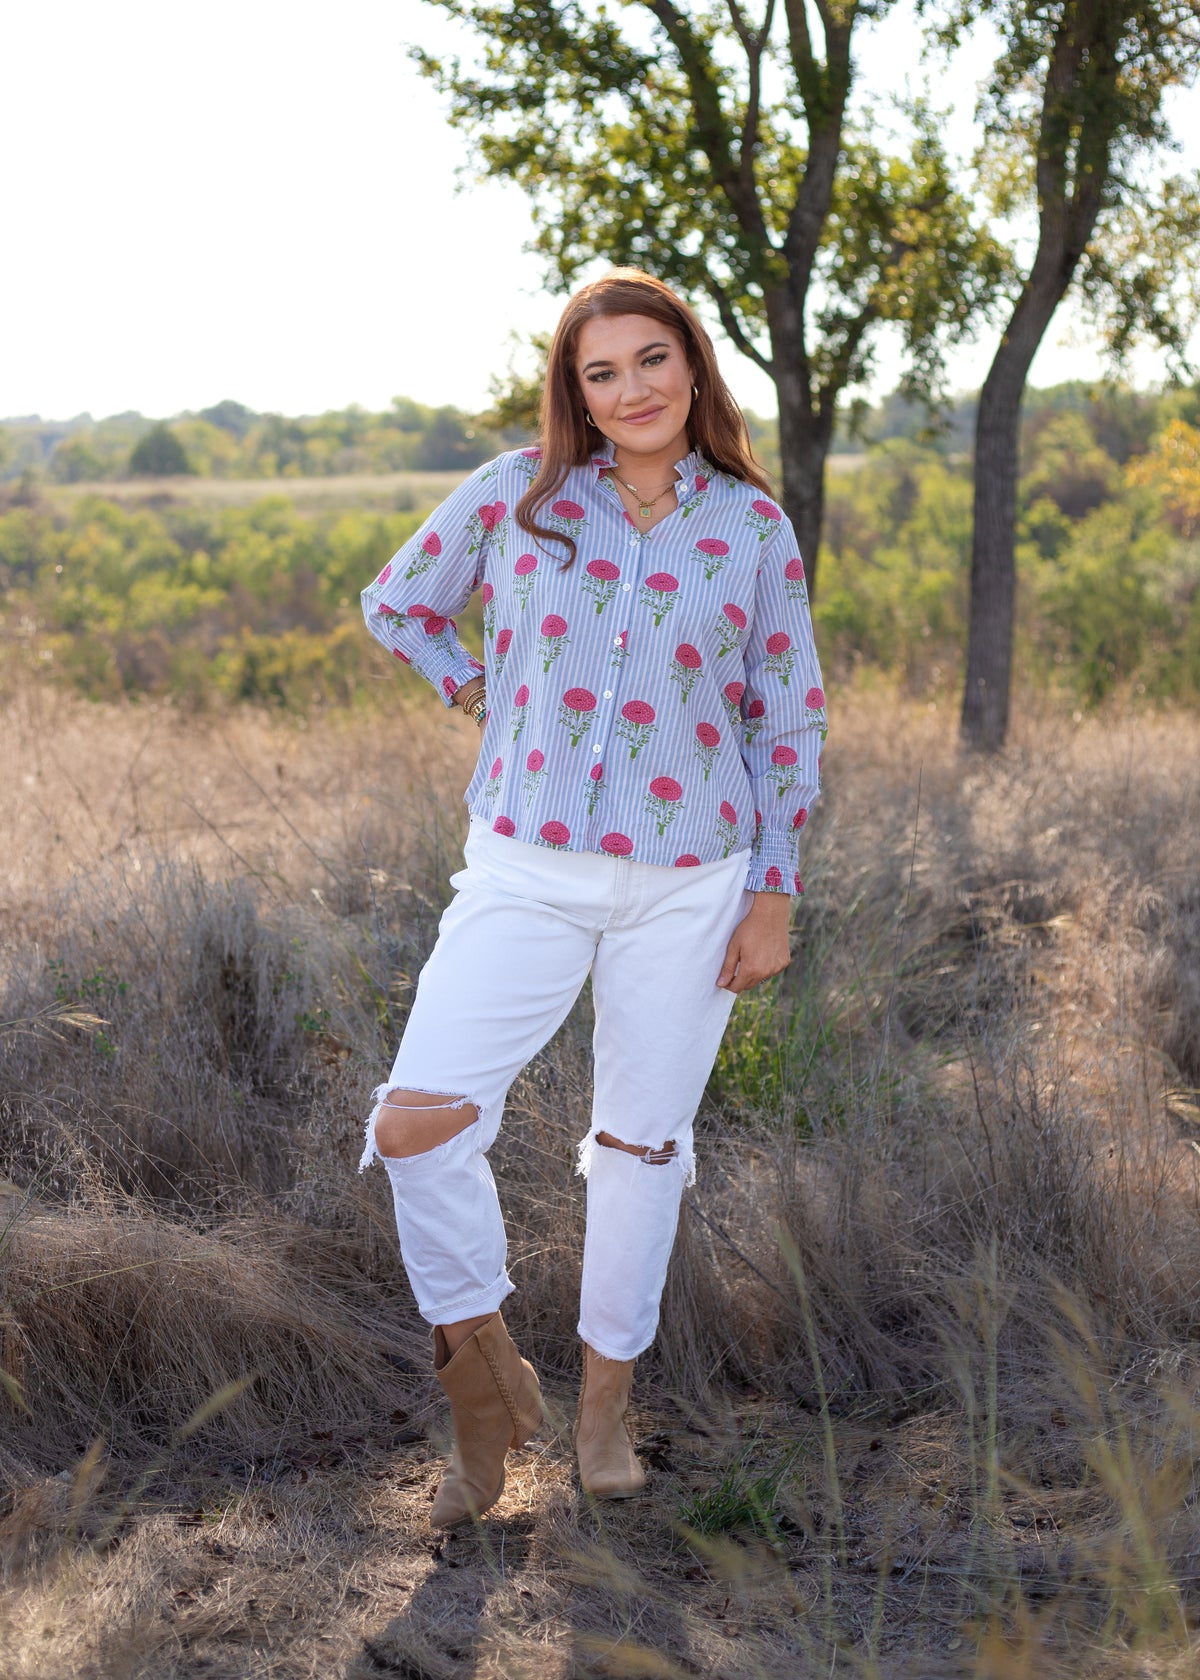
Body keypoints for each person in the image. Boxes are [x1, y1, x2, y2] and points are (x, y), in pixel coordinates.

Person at [359, 267, 826, 1526]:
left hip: (694, 880)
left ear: (693, 366)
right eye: (599, 371)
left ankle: (605, 1413)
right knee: (415, 1121)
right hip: (525, 866)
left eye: (651, 361)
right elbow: (395, 602)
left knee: (638, 1150)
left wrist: (771, 893)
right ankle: (483, 1381)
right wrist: (477, 691)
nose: (629, 391)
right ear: (573, 388)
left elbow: (787, 718)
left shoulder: (751, 529)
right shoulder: (521, 496)